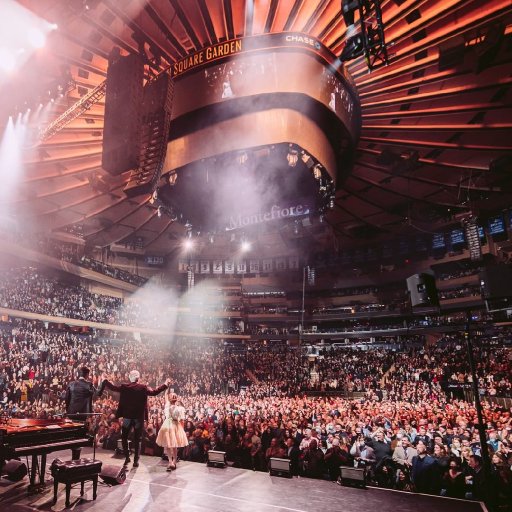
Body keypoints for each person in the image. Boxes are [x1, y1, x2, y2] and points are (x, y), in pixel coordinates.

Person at [99, 370, 169, 467]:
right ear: (138, 378)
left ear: (130, 377)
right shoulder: (143, 388)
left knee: (124, 437)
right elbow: (154, 392)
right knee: (138, 439)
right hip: (138, 418)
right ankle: (136, 461)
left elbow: (113, 388)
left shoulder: (124, 387)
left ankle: (127, 457)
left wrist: (105, 380)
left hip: (127, 417)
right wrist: (165, 385)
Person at [156, 392, 188, 471]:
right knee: (173, 445)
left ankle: (171, 462)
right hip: (173, 425)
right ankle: (172, 462)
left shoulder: (170, 406)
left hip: (168, 425)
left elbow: (181, 419)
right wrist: (182, 430)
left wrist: (166, 388)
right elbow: (182, 420)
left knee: (169, 445)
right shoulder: (178, 408)